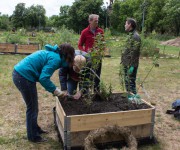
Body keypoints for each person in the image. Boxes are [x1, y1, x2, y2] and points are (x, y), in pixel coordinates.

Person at [12, 43, 75, 143]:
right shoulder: (56, 59)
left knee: (34, 106)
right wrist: (56, 91)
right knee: (32, 107)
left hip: (22, 75)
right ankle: (33, 137)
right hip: (23, 76)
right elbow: (43, 78)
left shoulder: (55, 56)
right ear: (68, 56)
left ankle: (35, 129)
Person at [78, 14, 104, 93]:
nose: (97, 22)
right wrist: (85, 53)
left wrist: (100, 50)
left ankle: (96, 93)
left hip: (97, 58)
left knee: (97, 76)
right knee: (86, 76)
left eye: (97, 21)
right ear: (90, 21)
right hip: (88, 58)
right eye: (95, 21)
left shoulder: (100, 31)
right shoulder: (84, 32)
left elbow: (102, 44)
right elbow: (80, 45)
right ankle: (84, 93)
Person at [121, 18, 141, 96]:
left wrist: (132, 66)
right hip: (127, 63)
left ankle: (134, 99)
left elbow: (135, 53)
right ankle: (130, 98)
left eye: (126, 23)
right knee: (127, 82)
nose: (125, 25)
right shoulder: (130, 35)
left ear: (130, 25)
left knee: (131, 83)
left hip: (131, 65)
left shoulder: (135, 36)